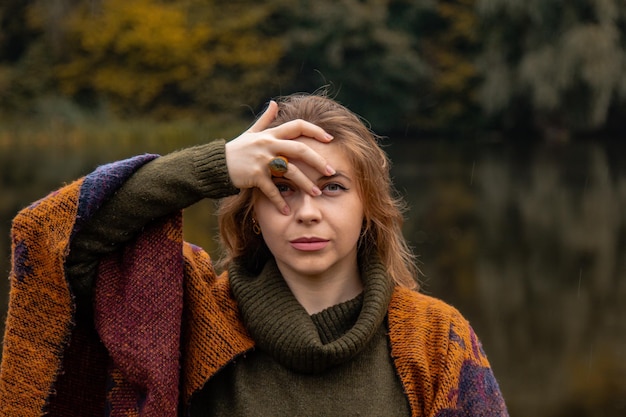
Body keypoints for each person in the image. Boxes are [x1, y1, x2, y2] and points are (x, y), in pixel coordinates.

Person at [0, 94, 509, 416]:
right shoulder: (191, 314)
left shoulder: (434, 338)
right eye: (281, 187)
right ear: (252, 212)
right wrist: (216, 165)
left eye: (332, 188)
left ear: (369, 208)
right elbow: (54, 239)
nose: (307, 212)